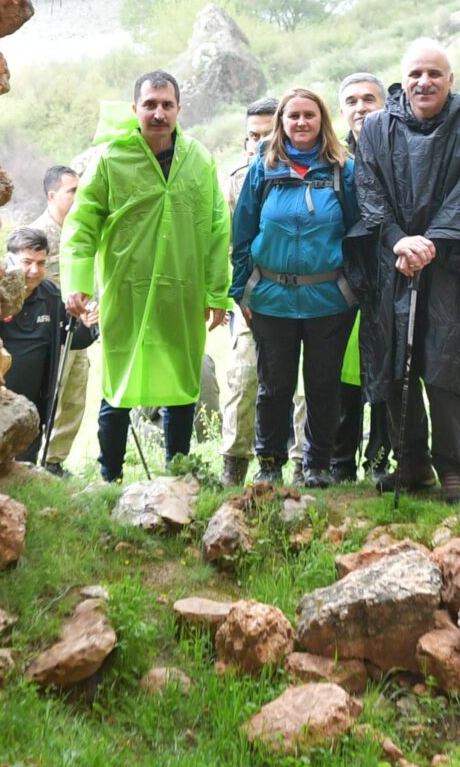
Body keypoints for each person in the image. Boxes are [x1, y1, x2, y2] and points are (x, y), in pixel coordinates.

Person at [350, 39, 460, 502]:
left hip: (451, 267)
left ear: (450, 80)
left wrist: (432, 243)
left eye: (435, 74)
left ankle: (451, 467)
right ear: (403, 80)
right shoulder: (377, 129)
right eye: (416, 74)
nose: (424, 82)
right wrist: (397, 239)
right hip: (394, 264)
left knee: (445, 366)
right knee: (394, 365)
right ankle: (411, 463)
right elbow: (369, 190)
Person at [64, 72, 232, 480]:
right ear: (134, 108)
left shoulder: (199, 158)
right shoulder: (111, 158)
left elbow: (216, 228)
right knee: (118, 383)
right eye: (150, 104)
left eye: (167, 105)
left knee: (182, 380)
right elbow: (81, 225)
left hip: (183, 292)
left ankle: (178, 473)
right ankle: (110, 477)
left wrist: (217, 293)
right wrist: (77, 282)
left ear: (178, 109)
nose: (159, 113)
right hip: (127, 290)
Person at [231, 87, 360, 484]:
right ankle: (269, 464)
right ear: (281, 123)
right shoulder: (261, 170)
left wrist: (354, 291)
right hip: (272, 300)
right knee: (275, 386)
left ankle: (316, 465)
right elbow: (243, 234)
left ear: (322, 120)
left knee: (323, 387)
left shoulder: (343, 169)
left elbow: (358, 232)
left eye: (309, 115)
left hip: (329, 299)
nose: (301, 122)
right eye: (293, 116)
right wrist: (241, 293)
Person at [211, 98, 278, 485]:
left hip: (301, 293)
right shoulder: (235, 179)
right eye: (252, 136)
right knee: (242, 377)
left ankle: (299, 462)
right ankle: (233, 466)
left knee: (300, 385)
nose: (259, 143)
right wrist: (236, 296)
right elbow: (228, 244)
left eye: (267, 134)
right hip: (251, 296)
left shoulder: (306, 169)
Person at [326, 72, 388, 483]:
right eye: (351, 101)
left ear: (384, 103)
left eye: (369, 98)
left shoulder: (401, 148)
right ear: (342, 110)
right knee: (342, 373)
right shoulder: (333, 158)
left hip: (390, 275)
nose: (360, 107)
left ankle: (381, 458)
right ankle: (340, 461)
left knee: (387, 368)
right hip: (343, 280)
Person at [0, 229, 97, 467]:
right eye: (27, 262)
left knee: (24, 468)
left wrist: (85, 326)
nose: (34, 271)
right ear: (9, 259)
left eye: (41, 263)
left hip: (35, 404)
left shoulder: (51, 295)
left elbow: (72, 340)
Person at [18, 164, 89, 473]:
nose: (79, 197)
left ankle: (54, 462)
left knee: (74, 395)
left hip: (78, 328)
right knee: (50, 396)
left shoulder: (82, 231)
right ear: (52, 195)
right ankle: (28, 461)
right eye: (72, 191)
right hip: (47, 330)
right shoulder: (39, 235)